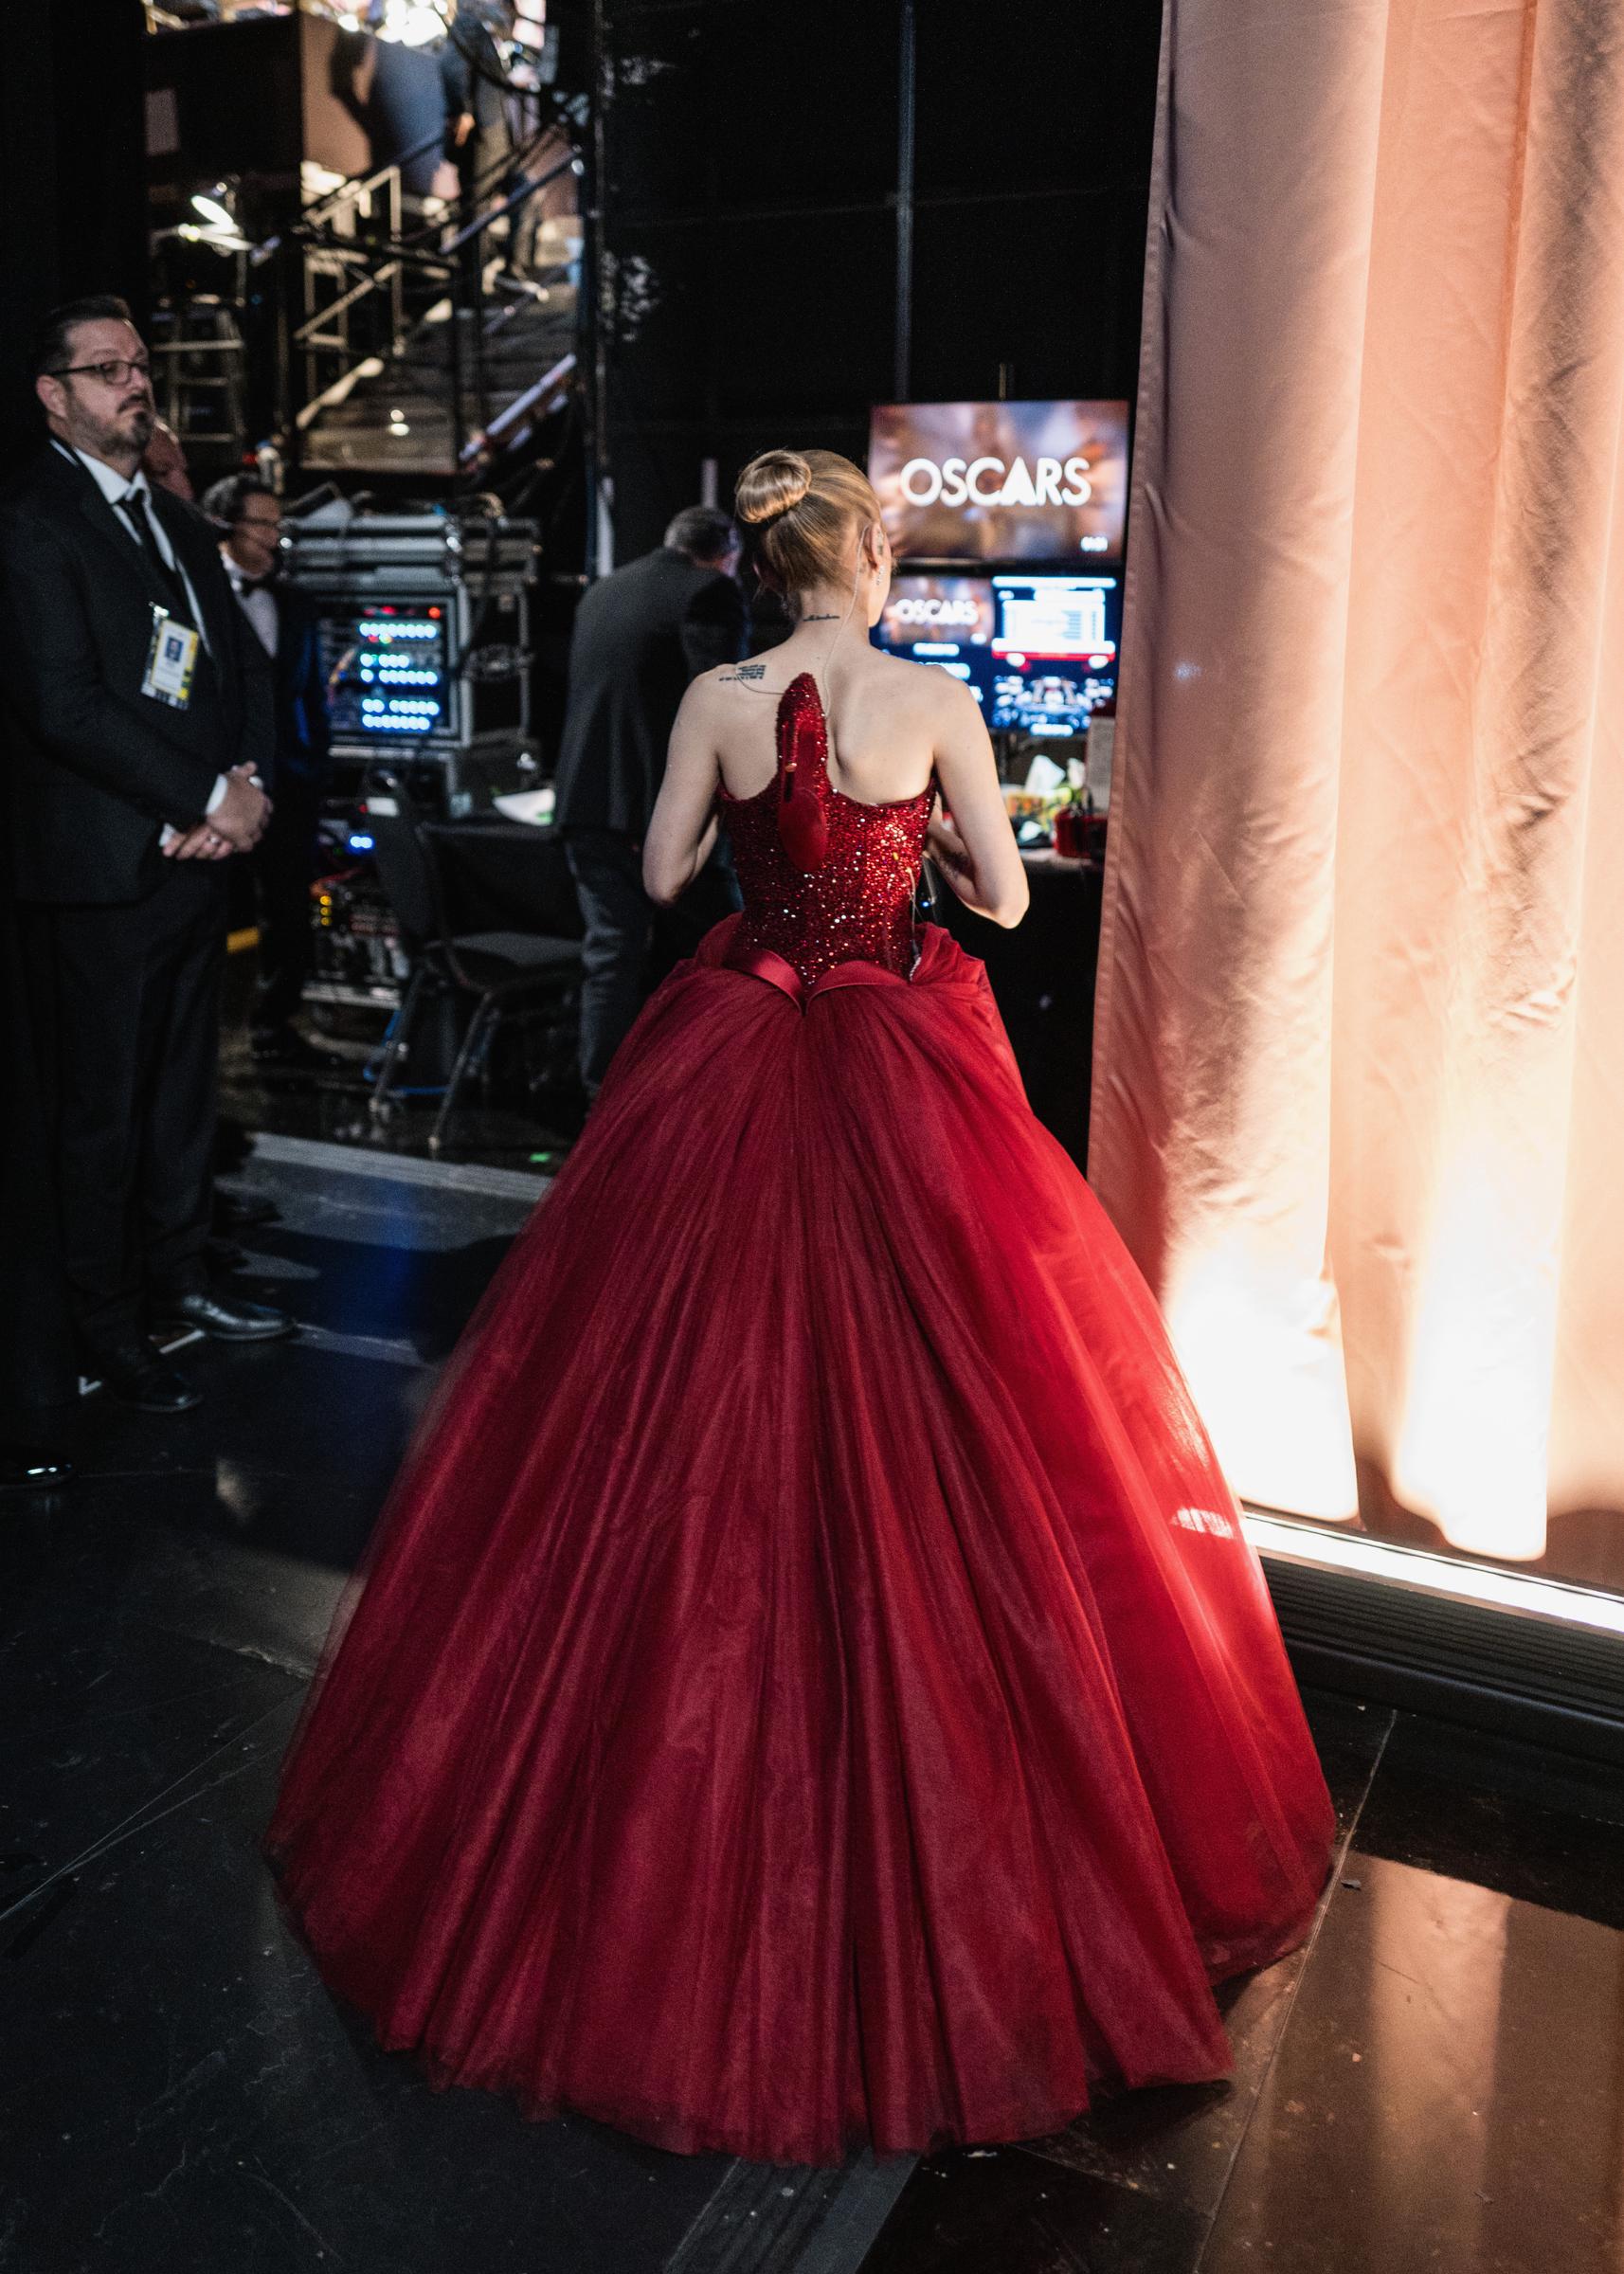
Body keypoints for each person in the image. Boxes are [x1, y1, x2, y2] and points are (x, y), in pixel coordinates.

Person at [267, 448, 1335, 2167]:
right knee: (967, 1396)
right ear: (876, 555)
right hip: (892, 1058)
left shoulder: (716, 691)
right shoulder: (929, 696)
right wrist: (900, 878)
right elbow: (995, 893)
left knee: (672, 1400)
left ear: (761, 570)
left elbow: (672, 869)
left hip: (740, 1043)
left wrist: (783, 866)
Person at [0, 297, 294, 1418]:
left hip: (195, 857)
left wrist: (245, 792)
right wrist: (194, 794)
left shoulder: (170, 520)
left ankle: (180, 1278)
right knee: (102, 1116)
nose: (137, 383)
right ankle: (105, 1326)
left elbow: (239, 672)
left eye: (141, 366)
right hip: (101, 871)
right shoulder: (31, 517)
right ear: (54, 393)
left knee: (183, 1096)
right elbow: (64, 706)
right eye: (109, 368)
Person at [551, 503, 747, 1093]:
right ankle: (715, 1095)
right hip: (650, 811)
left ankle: (602, 1100)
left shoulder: (606, 589)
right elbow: (721, 706)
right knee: (727, 951)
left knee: (612, 953)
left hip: (583, 801)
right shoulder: (708, 592)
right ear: (725, 556)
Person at [203, 474, 334, 1070]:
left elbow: (307, 691)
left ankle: (275, 1024)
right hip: (219, 786)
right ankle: (204, 1036)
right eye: (262, 524)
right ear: (228, 527)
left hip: (293, 780)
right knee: (214, 913)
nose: (274, 536)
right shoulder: (200, 596)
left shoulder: (296, 601)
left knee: (289, 911)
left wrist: (312, 760)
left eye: (278, 524)